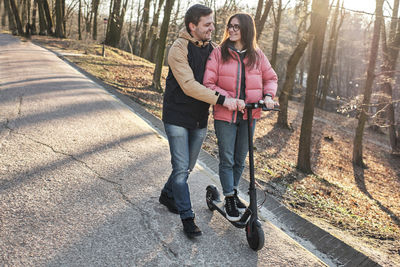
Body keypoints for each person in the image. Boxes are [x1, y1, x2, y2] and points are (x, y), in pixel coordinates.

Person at [159, 4, 243, 237]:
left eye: (212, 23)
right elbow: (188, 86)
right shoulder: (178, 48)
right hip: (176, 115)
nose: (212, 28)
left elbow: (230, 73)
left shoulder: (214, 49)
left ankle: (167, 195)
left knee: (185, 167)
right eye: (207, 24)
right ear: (192, 26)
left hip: (198, 118)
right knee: (180, 170)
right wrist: (222, 100)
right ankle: (188, 218)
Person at [203, 13, 278, 222]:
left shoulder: (257, 55)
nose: (232, 29)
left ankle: (233, 191)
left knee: (240, 159)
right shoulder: (219, 53)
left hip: (249, 115)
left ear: (246, 29)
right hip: (225, 114)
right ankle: (228, 197)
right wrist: (229, 99)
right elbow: (208, 83)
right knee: (227, 157)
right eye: (230, 26)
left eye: (237, 26)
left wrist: (268, 96)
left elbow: (270, 78)